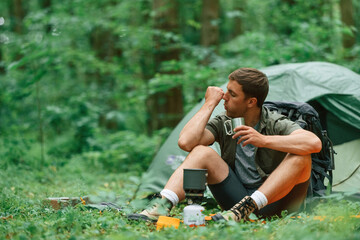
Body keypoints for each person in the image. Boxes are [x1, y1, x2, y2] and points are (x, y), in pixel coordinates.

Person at [128, 67, 322, 222]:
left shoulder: (274, 122)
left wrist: (263, 140)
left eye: (232, 94)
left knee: (301, 156)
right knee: (202, 151)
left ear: (251, 101)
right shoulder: (224, 122)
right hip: (235, 205)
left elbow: (314, 143)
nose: (225, 98)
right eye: (226, 92)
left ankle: (249, 208)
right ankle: (161, 207)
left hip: (277, 203)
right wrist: (209, 104)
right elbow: (186, 142)